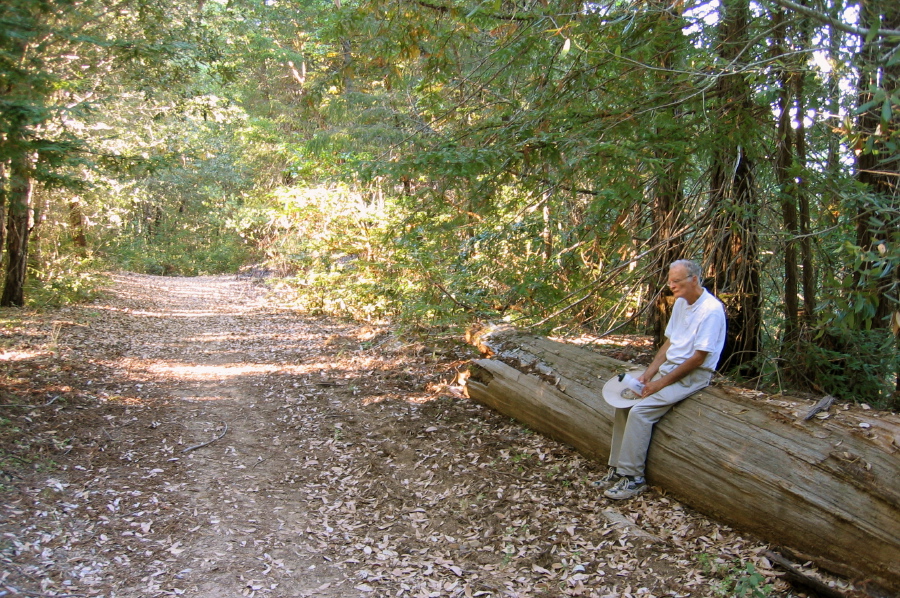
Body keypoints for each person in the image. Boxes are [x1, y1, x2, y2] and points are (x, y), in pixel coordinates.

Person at [597, 259, 727, 500]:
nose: (672, 286)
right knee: (624, 404)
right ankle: (616, 469)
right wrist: (648, 374)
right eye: (670, 281)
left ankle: (634, 477)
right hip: (668, 368)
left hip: (692, 375)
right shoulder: (680, 303)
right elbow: (669, 343)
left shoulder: (711, 310)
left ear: (694, 280)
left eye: (676, 281)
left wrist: (659, 384)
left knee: (641, 412)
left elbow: (698, 358)